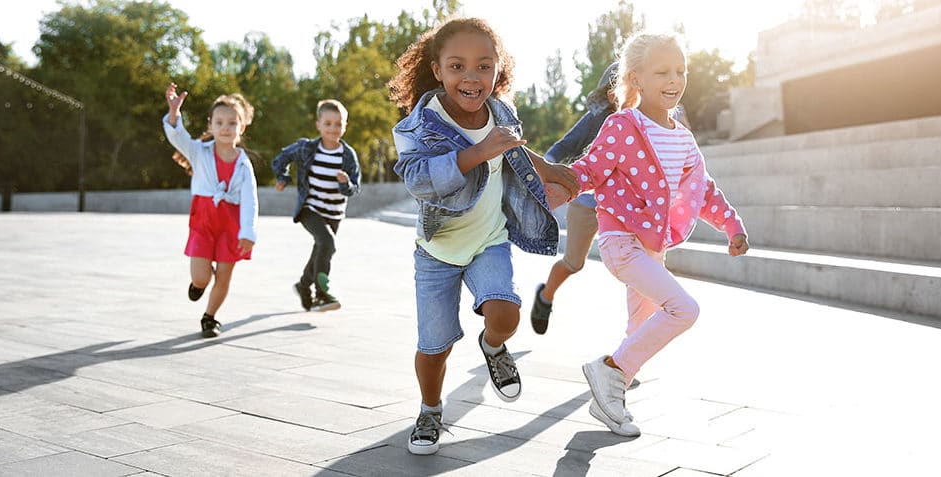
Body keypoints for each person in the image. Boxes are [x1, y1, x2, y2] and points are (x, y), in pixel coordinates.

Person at [388, 17, 578, 455]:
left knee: (506, 314)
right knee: (434, 347)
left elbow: (511, 147)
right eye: (457, 66)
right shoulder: (419, 125)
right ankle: (431, 410)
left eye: (483, 66)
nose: (471, 78)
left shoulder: (501, 111)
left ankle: (493, 348)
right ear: (437, 70)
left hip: (488, 240)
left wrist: (550, 171)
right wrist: (478, 151)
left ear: (498, 70)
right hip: (436, 251)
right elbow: (418, 180)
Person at [560, 33, 748, 437]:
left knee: (638, 329)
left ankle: (610, 402)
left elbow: (703, 189)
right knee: (684, 309)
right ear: (636, 78)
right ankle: (608, 369)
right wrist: (553, 178)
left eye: (681, 71)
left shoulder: (681, 136)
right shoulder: (623, 125)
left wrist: (731, 225)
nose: (674, 79)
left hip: (652, 249)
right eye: (662, 71)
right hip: (622, 243)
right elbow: (589, 170)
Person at [531, 63, 690, 335]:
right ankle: (545, 296)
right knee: (573, 263)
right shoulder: (598, 117)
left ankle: (631, 345)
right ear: (609, 93)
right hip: (588, 203)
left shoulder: (655, 118)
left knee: (639, 272)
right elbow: (560, 149)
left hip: (628, 211)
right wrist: (546, 170)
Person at [163, 83, 259, 338]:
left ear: (241, 127)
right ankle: (199, 284)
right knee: (202, 277)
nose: (225, 128)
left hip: (231, 225)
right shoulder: (199, 152)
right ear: (211, 125)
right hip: (204, 221)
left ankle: (210, 317)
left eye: (231, 123)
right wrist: (174, 114)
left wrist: (248, 232)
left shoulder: (243, 164)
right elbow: (177, 136)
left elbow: (250, 200)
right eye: (219, 122)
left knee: (225, 275)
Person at [272, 99, 361, 312]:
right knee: (327, 243)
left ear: (345, 126)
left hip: (334, 212)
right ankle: (322, 294)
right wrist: (283, 177)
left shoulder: (347, 155)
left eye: (338, 124)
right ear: (318, 125)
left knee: (321, 250)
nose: (333, 129)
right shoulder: (306, 148)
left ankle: (304, 286)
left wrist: (345, 183)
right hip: (309, 208)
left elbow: (355, 188)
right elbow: (281, 158)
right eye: (328, 123)